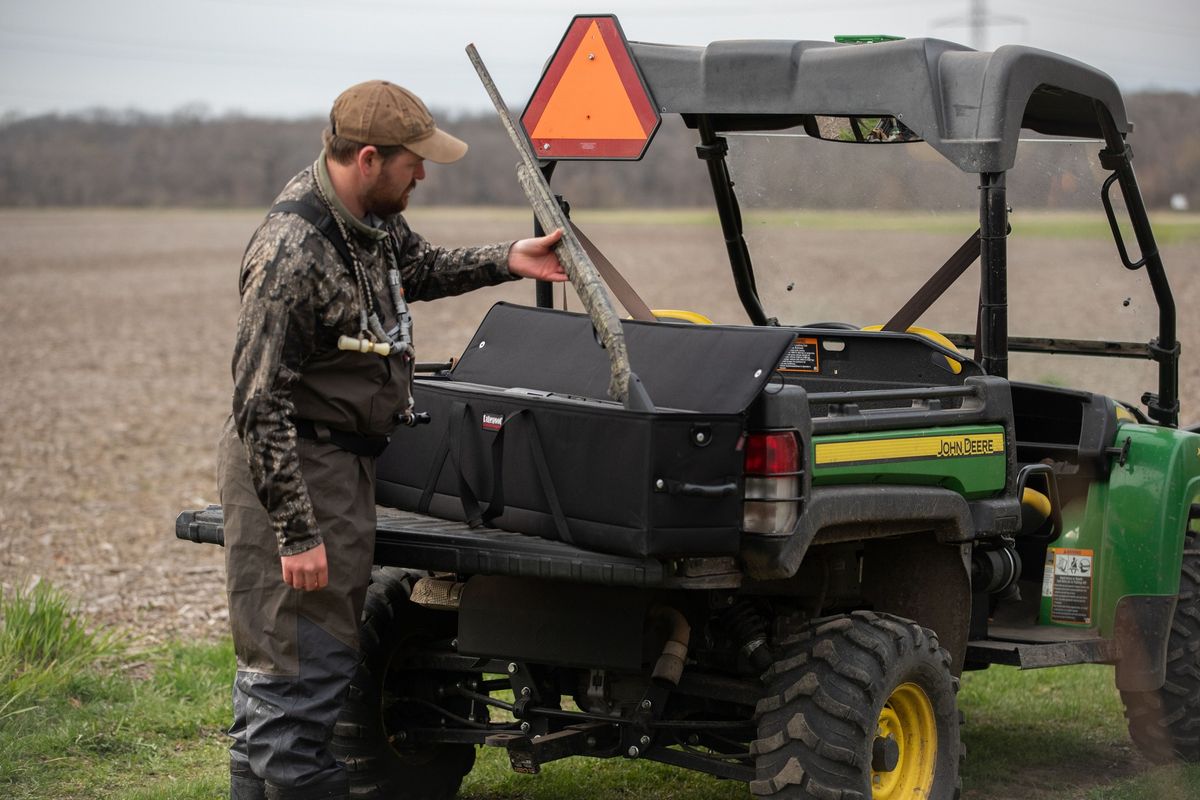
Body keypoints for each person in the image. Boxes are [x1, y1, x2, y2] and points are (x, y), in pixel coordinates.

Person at [217, 79, 567, 800]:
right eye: (414, 162)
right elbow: (258, 404)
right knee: (296, 698)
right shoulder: (293, 251)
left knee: (277, 703)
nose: (424, 175)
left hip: (339, 471)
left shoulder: (366, 225)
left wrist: (510, 258)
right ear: (369, 158)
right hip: (299, 475)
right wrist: (296, 532)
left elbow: (417, 270)